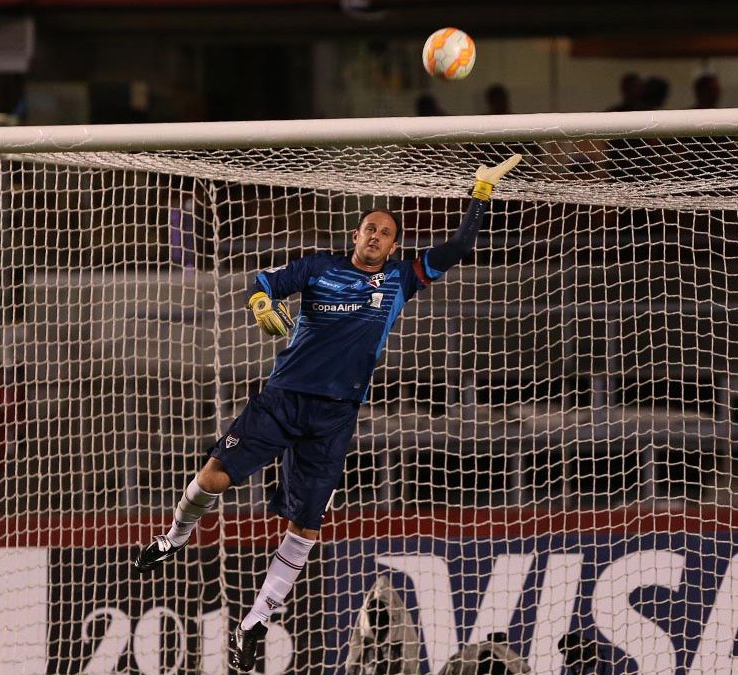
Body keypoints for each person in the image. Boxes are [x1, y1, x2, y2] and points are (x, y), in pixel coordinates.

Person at [130, 154, 523, 671]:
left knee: (307, 524)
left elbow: (459, 247)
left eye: (385, 232)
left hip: (336, 416)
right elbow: (265, 280)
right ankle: (173, 536)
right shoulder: (320, 267)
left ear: (394, 245)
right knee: (213, 479)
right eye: (369, 229)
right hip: (282, 398)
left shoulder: (401, 280)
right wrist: (260, 304)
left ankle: (256, 620)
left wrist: (480, 191)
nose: (375, 237)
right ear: (356, 235)